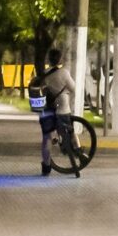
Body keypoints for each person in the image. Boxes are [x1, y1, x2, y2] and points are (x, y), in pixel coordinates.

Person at [38, 48, 76, 176]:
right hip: (62, 109)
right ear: (60, 59)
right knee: (70, 132)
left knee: (46, 138)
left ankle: (46, 166)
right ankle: (76, 152)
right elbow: (73, 88)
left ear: (49, 59)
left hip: (47, 109)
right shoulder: (64, 73)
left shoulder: (44, 74)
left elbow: (41, 90)